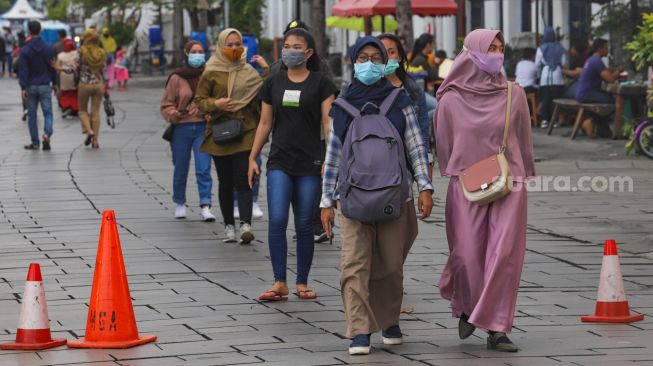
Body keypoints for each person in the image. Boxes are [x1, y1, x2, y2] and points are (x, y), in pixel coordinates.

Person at [320, 36, 434, 355]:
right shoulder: (342, 106)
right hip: (353, 198)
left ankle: (388, 319)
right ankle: (359, 329)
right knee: (354, 264)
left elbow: (415, 145)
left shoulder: (400, 101)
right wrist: (326, 201)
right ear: (352, 62)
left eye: (375, 58)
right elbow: (333, 156)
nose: (369, 64)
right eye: (363, 57)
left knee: (390, 265)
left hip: (395, 197)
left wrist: (424, 186)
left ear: (385, 63)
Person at [434, 29, 535, 353]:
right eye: (489, 47)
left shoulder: (513, 94)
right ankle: (468, 304)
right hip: (465, 184)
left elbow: (523, 137)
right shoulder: (449, 99)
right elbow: (444, 146)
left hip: (509, 181)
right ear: (472, 51)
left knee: (504, 254)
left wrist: (524, 172)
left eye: (500, 48)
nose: (496, 53)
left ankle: (497, 326)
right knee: (466, 255)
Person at [248, 28, 337, 302]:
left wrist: (330, 161)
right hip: (279, 160)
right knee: (276, 219)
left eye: (296, 46)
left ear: (308, 52)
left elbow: (328, 124)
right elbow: (265, 123)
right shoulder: (273, 82)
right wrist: (252, 157)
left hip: (310, 162)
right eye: (287, 45)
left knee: (303, 224)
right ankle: (279, 282)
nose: (290, 50)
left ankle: (301, 282)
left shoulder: (322, 83)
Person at [195, 28, 269, 244]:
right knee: (225, 181)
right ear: (220, 46)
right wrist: (215, 104)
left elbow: (263, 92)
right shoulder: (211, 71)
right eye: (231, 44)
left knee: (243, 177)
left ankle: (245, 224)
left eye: (238, 44)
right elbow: (199, 101)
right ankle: (229, 226)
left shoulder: (249, 70)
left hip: (245, 132)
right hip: (220, 133)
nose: (235, 48)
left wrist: (266, 70)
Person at [161, 41, 216, 222]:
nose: (197, 55)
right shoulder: (177, 77)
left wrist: (206, 110)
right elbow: (166, 104)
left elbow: (216, 100)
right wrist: (173, 113)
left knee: (204, 168)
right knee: (181, 167)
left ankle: (205, 205)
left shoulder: (210, 75)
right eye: (194, 52)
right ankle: (180, 203)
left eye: (201, 51)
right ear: (186, 54)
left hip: (202, 127)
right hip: (181, 128)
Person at [378, 33, 430, 152]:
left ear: (400, 56)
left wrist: (427, 159)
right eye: (381, 53)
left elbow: (423, 130)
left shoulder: (414, 90)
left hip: (409, 160)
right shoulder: (366, 89)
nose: (386, 58)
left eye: (391, 52)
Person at [19, 20, 57, 151]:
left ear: (29, 31)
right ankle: (46, 134)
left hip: (30, 85)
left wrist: (23, 88)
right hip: (45, 85)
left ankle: (35, 143)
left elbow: (23, 70)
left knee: (32, 115)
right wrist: (55, 83)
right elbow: (53, 67)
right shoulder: (49, 48)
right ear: (40, 30)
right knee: (48, 113)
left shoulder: (25, 50)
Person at [575, 38, 621, 138]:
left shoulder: (592, 60)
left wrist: (612, 66)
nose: (607, 50)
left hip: (584, 93)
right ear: (600, 49)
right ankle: (591, 122)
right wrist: (619, 71)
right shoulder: (596, 61)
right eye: (606, 48)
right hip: (587, 94)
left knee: (607, 99)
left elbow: (606, 75)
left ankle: (600, 127)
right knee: (612, 101)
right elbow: (610, 79)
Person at [77, 29, 108, 149]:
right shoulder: (101, 52)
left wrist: (60, 68)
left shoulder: (81, 51)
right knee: (96, 112)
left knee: (82, 111)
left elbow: (75, 67)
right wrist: (105, 86)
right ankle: (95, 141)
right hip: (98, 85)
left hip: (84, 84)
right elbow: (104, 71)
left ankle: (89, 131)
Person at [536, 27, 566, 129]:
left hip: (545, 75)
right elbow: (563, 63)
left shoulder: (541, 48)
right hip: (557, 74)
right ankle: (555, 120)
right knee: (556, 98)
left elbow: (537, 64)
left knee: (545, 98)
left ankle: (544, 120)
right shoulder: (560, 47)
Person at [56, 38, 79, 117]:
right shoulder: (77, 53)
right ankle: (75, 107)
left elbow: (57, 66)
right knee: (74, 92)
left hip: (64, 75)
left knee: (65, 93)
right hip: (74, 75)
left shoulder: (60, 55)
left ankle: (67, 107)